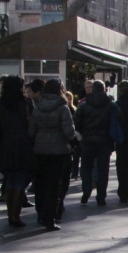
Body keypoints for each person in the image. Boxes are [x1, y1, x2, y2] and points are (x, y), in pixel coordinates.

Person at [29, 78, 75, 231]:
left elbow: (31, 131)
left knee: (41, 183)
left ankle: (40, 214)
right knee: (55, 184)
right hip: (59, 150)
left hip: (40, 149)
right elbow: (69, 132)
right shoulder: (63, 108)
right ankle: (51, 217)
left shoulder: (37, 107)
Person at [0, 75, 35, 228]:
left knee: (9, 179)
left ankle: (11, 214)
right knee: (20, 179)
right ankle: (15, 216)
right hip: (23, 144)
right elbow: (33, 124)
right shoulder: (27, 104)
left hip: (4, 145)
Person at [74, 80, 120, 206]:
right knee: (103, 170)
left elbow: (76, 121)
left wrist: (81, 133)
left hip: (88, 141)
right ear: (104, 89)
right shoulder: (110, 105)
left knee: (86, 167)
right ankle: (101, 196)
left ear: (92, 89)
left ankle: (86, 190)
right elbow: (119, 117)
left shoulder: (84, 105)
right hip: (105, 142)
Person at [65, 91, 81, 180]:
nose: (69, 100)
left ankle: (74, 172)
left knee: (76, 155)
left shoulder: (74, 109)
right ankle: (71, 171)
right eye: (68, 98)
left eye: (70, 98)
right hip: (67, 135)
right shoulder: (63, 109)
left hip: (74, 134)